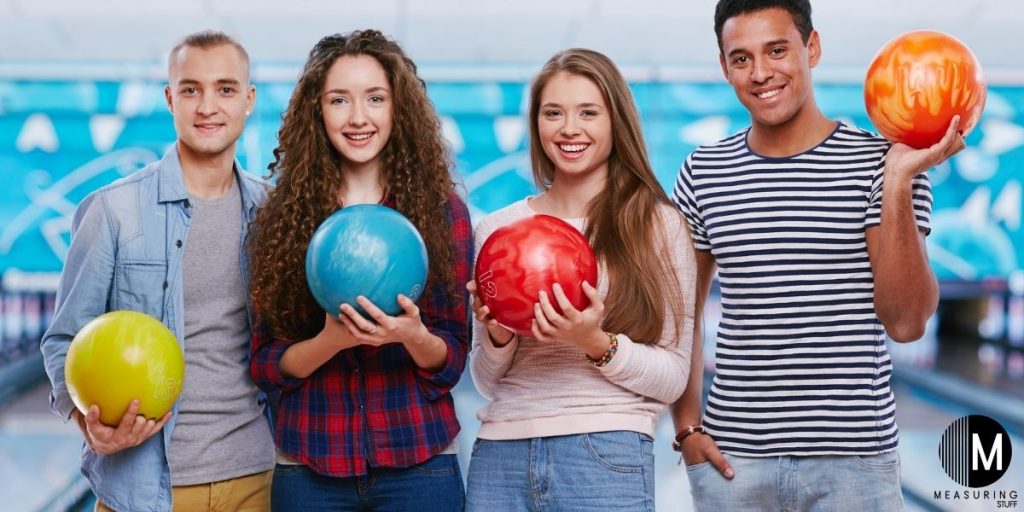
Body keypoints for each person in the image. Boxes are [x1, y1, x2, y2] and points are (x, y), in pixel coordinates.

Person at [670, 1, 965, 510]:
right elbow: (682, 314)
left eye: (777, 50)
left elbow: (907, 323)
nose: (760, 73)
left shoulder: (884, 165)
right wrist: (687, 429)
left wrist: (898, 180)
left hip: (855, 467)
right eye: (741, 58)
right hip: (733, 464)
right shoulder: (703, 171)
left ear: (812, 47)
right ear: (724, 67)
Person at [39, 30, 276, 511]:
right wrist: (89, 426)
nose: (207, 106)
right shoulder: (113, 210)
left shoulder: (271, 212)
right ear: (170, 99)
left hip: (256, 475)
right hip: (146, 485)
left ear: (248, 100)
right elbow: (64, 339)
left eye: (225, 89)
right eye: (191, 89)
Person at [247, 30, 472, 512]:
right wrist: (330, 341)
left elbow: (453, 357)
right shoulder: (283, 217)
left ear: (397, 108)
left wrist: (412, 335)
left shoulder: (441, 212)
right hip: (311, 467)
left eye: (375, 98)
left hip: (420, 463)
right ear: (317, 111)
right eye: (338, 100)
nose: (357, 117)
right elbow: (266, 364)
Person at [465, 48, 697, 511]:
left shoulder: (657, 226)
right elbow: (486, 381)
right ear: (536, 124)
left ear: (616, 122)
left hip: (604, 454)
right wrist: (499, 334)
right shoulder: (496, 231)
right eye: (553, 113)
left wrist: (594, 341)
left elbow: (673, 378)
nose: (569, 128)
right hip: (500, 454)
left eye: (588, 112)